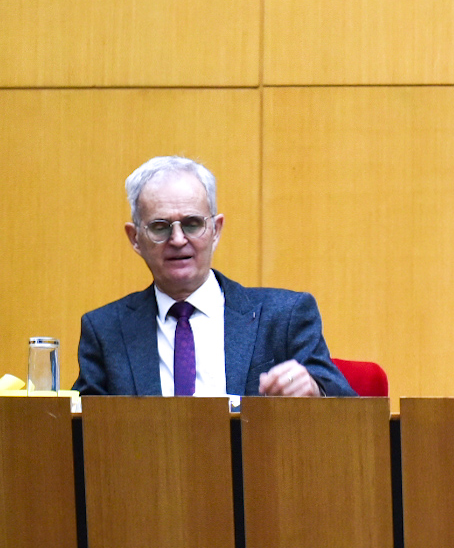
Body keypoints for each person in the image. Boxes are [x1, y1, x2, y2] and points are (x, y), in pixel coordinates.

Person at [74, 156, 354, 398]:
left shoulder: (284, 317)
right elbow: (79, 427)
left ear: (216, 230)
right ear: (135, 238)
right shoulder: (105, 331)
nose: (178, 239)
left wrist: (315, 390)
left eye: (192, 224)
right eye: (160, 227)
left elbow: (351, 412)